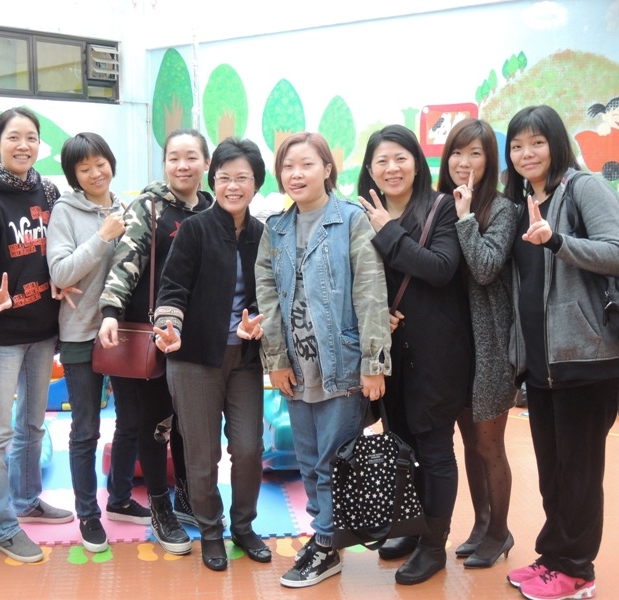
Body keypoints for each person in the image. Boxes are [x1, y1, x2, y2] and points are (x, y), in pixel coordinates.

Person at [502, 105, 619, 600]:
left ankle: (577, 572)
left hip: (591, 358)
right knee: (554, 471)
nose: (527, 153)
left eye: (537, 142)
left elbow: (618, 253)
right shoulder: (522, 204)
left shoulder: (584, 188)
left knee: (578, 472)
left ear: (556, 143)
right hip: (543, 364)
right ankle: (554, 557)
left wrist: (557, 241)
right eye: (517, 145)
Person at [255, 131, 391, 588]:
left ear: (327, 169)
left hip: (343, 364)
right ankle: (324, 534)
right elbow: (267, 296)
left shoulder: (351, 220)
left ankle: (327, 542)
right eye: (288, 166)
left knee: (335, 460)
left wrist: (373, 363)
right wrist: (276, 359)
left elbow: (370, 292)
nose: (296, 174)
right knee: (309, 460)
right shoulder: (275, 229)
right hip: (297, 366)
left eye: (307, 164)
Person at [358, 124, 473, 585]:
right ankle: (411, 527)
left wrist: (388, 232)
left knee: (435, 449)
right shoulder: (361, 213)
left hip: (437, 354)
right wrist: (375, 314)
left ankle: (434, 545)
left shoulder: (441, 207)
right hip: (390, 355)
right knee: (401, 445)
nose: (392, 168)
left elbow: (442, 268)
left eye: (400, 158)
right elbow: (357, 279)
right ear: (370, 169)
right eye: (382, 160)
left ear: (417, 163)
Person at [152, 137, 269, 571]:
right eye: (224, 178)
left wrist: (256, 318)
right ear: (213, 181)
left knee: (249, 448)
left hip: (244, 360)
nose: (232, 186)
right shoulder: (195, 230)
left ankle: (244, 525)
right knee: (202, 456)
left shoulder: (262, 234)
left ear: (256, 183)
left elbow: (267, 294)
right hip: (194, 359)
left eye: (242, 178)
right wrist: (170, 328)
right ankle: (211, 531)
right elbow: (172, 288)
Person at [98, 128, 214, 556]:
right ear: (164, 164)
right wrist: (110, 311)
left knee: (187, 421)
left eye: (191, 157)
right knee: (155, 422)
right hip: (151, 335)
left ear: (205, 163)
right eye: (173, 158)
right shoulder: (148, 208)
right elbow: (124, 263)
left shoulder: (213, 208)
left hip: (196, 336)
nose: (182, 165)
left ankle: (186, 497)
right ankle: (161, 506)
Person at [0, 106, 72, 564]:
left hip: (43, 330)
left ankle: (27, 499)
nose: (23, 145)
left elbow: (59, 252)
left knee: (33, 423)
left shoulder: (49, 192)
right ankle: (3, 527)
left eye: (31, 137)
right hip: (2, 336)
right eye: (14, 137)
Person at [47, 132, 138, 554]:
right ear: (73, 175)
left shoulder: (128, 208)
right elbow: (61, 273)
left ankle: (119, 497)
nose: (95, 173)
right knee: (85, 428)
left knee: (131, 421)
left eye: (100, 163)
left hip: (124, 332)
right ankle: (87, 512)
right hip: (81, 332)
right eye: (84, 168)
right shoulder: (65, 211)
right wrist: (102, 236)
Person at [436, 118, 519, 569]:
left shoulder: (502, 209)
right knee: (469, 443)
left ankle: (500, 531)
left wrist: (466, 216)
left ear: (489, 160)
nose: (464, 162)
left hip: (491, 346)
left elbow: (486, 268)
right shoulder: (439, 204)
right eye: (457, 152)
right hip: (455, 346)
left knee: (489, 446)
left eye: (475, 153)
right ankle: (482, 523)